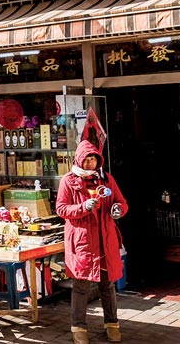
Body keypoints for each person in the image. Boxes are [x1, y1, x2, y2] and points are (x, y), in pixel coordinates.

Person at [56, 140, 128, 344]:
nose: (90, 163)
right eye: (86, 159)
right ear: (79, 160)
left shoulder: (106, 180)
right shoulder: (68, 181)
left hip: (105, 240)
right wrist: (83, 207)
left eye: (93, 159)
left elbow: (122, 202)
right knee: (81, 286)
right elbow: (61, 209)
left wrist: (118, 210)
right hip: (82, 242)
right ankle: (78, 327)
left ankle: (112, 324)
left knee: (108, 285)